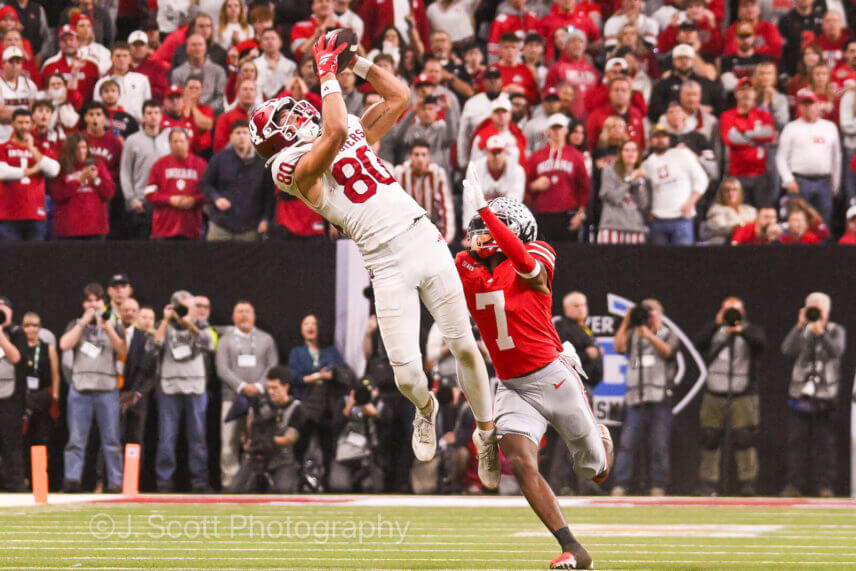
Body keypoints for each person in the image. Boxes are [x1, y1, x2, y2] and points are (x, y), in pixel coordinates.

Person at [252, 31, 498, 488]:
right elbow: (337, 131)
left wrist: (354, 62)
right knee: (407, 375)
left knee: (464, 344)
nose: (294, 113)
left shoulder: (343, 131)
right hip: (384, 262)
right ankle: (427, 410)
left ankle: (487, 433)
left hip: (423, 236)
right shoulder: (290, 169)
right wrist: (327, 73)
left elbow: (399, 95)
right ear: (272, 137)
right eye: (284, 116)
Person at [455, 178, 612, 569]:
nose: (479, 234)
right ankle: (573, 547)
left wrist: (490, 214)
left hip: (552, 375)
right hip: (512, 384)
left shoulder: (537, 251)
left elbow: (528, 269)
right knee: (522, 462)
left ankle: (601, 434)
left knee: (597, 472)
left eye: (488, 227)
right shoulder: (466, 265)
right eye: (478, 226)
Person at [694, 297, 766, 496]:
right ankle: (707, 483)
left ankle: (748, 482)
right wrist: (717, 325)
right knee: (710, 438)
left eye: (735, 311)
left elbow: (760, 344)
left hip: (742, 394)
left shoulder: (751, 331)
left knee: (745, 439)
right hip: (714, 392)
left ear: (743, 312)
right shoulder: (715, 331)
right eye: (728, 310)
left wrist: (740, 330)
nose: (732, 315)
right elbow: (698, 343)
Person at [60, 283, 126, 493]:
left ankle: (115, 482)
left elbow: (123, 351)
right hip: (80, 388)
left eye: (96, 300)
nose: (93, 304)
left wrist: (107, 327)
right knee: (76, 439)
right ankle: (72, 479)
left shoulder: (114, 324)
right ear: (83, 303)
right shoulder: (75, 323)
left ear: (102, 302)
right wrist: (83, 322)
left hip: (107, 389)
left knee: (112, 440)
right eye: (88, 300)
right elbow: (64, 344)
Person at [612, 298, 679, 497]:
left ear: (660, 314)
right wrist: (627, 320)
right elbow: (619, 348)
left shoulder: (669, 334)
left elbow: (667, 352)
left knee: (659, 444)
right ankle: (621, 484)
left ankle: (659, 484)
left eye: (652, 312)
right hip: (635, 397)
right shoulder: (633, 334)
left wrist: (650, 334)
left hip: (659, 397)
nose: (647, 316)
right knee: (627, 444)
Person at [780, 293, 846, 498]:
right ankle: (794, 484)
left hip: (825, 396)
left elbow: (837, 351)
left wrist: (821, 333)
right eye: (813, 308)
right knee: (796, 443)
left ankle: (825, 486)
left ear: (827, 311)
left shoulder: (836, 330)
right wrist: (800, 326)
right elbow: (787, 349)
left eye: (820, 309)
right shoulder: (802, 331)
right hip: (801, 395)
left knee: (824, 445)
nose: (817, 312)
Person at [152, 290, 214, 492]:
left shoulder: (202, 326)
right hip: (169, 387)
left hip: (195, 387)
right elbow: (153, 346)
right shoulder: (166, 325)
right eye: (182, 307)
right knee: (167, 437)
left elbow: (208, 343)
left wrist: (187, 321)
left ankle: (199, 481)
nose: (186, 312)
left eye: (190, 308)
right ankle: (164, 481)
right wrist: (165, 320)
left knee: (197, 437)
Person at [215, 301, 278, 489]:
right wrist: (242, 386)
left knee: (257, 442)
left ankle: (254, 483)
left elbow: (272, 366)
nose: (244, 315)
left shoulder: (266, 339)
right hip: (231, 397)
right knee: (228, 442)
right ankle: (230, 484)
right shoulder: (225, 340)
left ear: (254, 315)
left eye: (247, 311)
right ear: (234, 317)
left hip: (260, 400)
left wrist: (258, 386)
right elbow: (222, 368)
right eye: (240, 312)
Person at [228, 366, 305, 493]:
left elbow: (290, 438)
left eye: (275, 387)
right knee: (235, 489)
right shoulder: (259, 405)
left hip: (282, 458)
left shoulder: (296, 408)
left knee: (283, 491)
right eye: (269, 387)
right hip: (256, 455)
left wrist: (269, 440)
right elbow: (247, 435)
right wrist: (248, 439)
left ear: (286, 387)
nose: (271, 391)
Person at [776, 89, 841, 225]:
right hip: (799, 181)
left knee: (823, 223)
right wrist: (788, 179)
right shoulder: (791, 128)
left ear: (818, 105)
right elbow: (781, 157)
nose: (807, 108)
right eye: (804, 104)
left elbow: (836, 158)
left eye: (810, 104)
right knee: (798, 222)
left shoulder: (829, 127)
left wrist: (835, 183)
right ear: (799, 107)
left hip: (824, 181)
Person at [201, 120, 273, 241]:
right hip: (220, 225)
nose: (241, 136)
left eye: (245, 132)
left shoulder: (263, 163)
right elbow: (205, 184)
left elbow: (269, 196)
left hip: (250, 227)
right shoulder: (219, 159)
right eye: (237, 133)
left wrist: (265, 219)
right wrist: (216, 198)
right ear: (231, 136)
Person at [526, 113, 591, 242]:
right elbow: (525, 184)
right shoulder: (536, 157)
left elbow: (584, 188)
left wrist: (581, 213)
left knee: (568, 257)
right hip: (542, 214)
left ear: (566, 130)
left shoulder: (576, 156)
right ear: (548, 131)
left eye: (560, 128)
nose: (557, 132)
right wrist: (534, 185)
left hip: (567, 214)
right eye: (553, 128)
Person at [642, 124, 708, 245]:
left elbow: (702, 179)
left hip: (682, 219)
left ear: (668, 139)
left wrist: (691, 202)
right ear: (650, 141)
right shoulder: (647, 164)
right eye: (656, 137)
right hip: (657, 220)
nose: (660, 140)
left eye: (663, 136)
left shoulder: (682, 155)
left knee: (683, 261)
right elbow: (644, 191)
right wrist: (647, 211)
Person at [0, 108, 60, 240]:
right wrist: (30, 171)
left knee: (35, 259)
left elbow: (54, 170)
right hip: (8, 216)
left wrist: (32, 149)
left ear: (32, 125)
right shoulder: (3, 147)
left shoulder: (40, 148)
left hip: (35, 214)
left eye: (27, 123)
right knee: (10, 258)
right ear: (12, 124)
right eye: (20, 123)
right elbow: (2, 172)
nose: (24, 127)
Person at [719, 78, 777, 208]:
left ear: (755, 93)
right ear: (736, 94)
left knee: (762, 213)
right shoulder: (727, 115)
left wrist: (744, 133)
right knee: (739, 213)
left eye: (750, 90)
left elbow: (770, 135)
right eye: (742, 90)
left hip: (761, 174)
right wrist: (757, 138)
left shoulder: (763, 114)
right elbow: (730, 139)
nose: (746, 93)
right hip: (737, 175)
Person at [120, 99, 170, 240]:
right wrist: (132, 199)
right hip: (140, 203)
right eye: (149, 113)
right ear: (143, 116)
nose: (153, 116)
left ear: (161, 115)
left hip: (164, 203)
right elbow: (125, 172)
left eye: (156, 112)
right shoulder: (132, 140)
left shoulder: (169, 139)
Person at [145, 128, 207, 240]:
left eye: (181, 141)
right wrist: (170, 199)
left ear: (188, 142)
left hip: (191, 229)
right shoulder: (159, 165)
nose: (178, 145)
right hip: (164, 229)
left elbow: (208, 193)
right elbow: (149, 194)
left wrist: (194, 200)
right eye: (175, 141)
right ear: (169, 144)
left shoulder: (201, 165)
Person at [51, 132, 115, 239]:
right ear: (70, 150)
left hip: (95, 228)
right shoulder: (61, 167)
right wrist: (79, 180)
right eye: (77, 149)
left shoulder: (97, 164)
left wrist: (96, 180)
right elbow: (57, 194)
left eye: (84, 147)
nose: (81, 152)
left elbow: (109, 193)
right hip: (69, 229)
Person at [393, 140, 455, 245]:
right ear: (410, 157)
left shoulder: (438, 173)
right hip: (405, 230)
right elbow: (394, 205)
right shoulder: (400, 172)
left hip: (431, 227)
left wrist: (446, 239)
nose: (420, 159)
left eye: (424, 155)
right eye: (416, 155)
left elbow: (446, 207)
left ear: (429, 157)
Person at [462, 137, 526, 238]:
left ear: (505, 152)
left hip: (507, 225)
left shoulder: (517, 171)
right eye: (493, 152)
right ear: (487, 153)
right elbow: (469, 201)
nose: (496, 156)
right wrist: (468, 231)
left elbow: (514, 205)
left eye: (499, 152)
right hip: (481, 222)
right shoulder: (475, 169)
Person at [19, 311, 59, 465]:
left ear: (40, 328)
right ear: (23, 328)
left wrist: (55, 395)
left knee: (42, 435)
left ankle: (40, 474)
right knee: (23, 436)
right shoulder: (18, 347)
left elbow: (55, 374)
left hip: (43, 396)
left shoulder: (48, 348)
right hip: (23, 396)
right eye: (27, 325)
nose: (31, 329)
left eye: (35, 325)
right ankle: (24, 475)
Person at [118, 297, 156, 450]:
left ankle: (131, 475)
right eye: (144, 317)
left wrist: (137, 393)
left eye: (151, 318)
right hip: (116, 394)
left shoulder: (150, 340)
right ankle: (108, 474)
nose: (147, 321)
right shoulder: (117, 333)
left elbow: (152, 373)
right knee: (113, 437)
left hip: (138, 397)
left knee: (135, 439)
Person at [597, 139, 648, 244]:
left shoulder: (641, 173)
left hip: (635, 227)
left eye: (634, 150)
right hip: (612, 226)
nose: (631, 154)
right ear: (620, 153)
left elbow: (643, 204)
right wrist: (630, 180)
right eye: (627, 150)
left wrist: (638, 184)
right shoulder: (609, 170)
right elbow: (612, 197)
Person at [554, 291, 603, 391]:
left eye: (583, 305)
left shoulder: (584, 328)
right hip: (572, 386)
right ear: (566, 309)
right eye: (576, 306)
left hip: (586, 385)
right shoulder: (562, 328)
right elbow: (560, 357)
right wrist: (587, 354)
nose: (581, 309)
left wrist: (596, 351)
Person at [0, 299, 24, 491]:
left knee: (11, 443)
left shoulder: (17, 333)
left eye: (3, 306)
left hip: (10, 397)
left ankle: (15, 485)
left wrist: (1, 335)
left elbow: (16, 357)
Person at [169, 34, 227, 114]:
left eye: (200, 45)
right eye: (194, 45)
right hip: (185, 113)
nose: (197, 48)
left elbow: (220, 98)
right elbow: (176, 97)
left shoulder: (218, 71)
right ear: (187, 49)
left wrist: (204, 110)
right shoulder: (177, 73)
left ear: (205, 48)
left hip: (212, 114)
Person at [93, 43, 152, 122]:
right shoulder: (101, 82)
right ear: (111, 58)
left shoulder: (142, 80)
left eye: (125, 56)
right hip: (110, 125)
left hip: (137, 125)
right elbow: (96, 108)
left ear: (130, 59)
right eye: (118, 56)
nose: (121, 59)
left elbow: (148, 106)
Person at [0, 46, 37, 142]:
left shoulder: (29, 84)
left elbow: (34, 113)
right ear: (3, 63)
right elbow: (1, 115)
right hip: (2, 137)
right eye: (11, 62)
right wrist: (25, 116)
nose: (15, 65)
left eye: (18, 62)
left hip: (24, 138)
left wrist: (9, 112)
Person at [704, 179, 758, 245]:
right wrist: (739, 226)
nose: (731, 193)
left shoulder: (749, 210)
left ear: (740, 193)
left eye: (734, 190)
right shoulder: (715, 210)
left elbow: (757, 225)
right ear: (721, 194)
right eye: (727, 190)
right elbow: (720, 227)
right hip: (723, 244)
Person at [254, 27, 297, 100]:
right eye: (266, 39)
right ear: (260, 43)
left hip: (284, 102)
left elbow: (292, 88)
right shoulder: (254, 64)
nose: (269, 41)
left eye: (273, 38)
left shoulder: (290, 65)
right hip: (259, 102)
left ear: (280, 42)